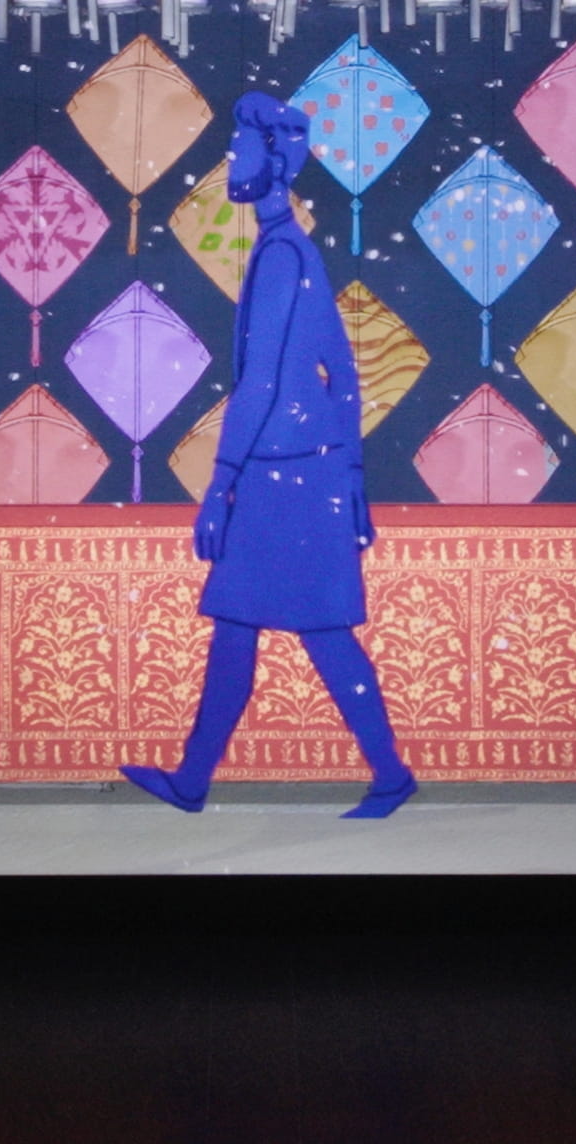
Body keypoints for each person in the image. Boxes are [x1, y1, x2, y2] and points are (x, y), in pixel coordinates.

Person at [121, 89, 420, 818]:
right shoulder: (289, 249)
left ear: (274, 161)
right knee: (240, 625)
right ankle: (195, 779)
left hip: (282, 476)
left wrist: (219, 485)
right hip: (301, 469)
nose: (233, 160)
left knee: (318, 632)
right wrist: (352, 477)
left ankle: (388, 775)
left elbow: (261, 381)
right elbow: (342, 372)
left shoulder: (283, 254)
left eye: (242, 148)